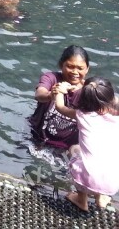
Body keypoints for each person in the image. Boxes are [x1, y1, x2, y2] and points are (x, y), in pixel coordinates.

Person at [54, 77, 119, 212]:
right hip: (112, 184)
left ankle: (81, 200)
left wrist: (60, 91)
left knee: (74, 149)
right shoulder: (116, 116)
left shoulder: (82, 115)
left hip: (87, 179)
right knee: (104, 159)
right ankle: (100, 198)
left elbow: (60, 107)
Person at [30, 45, 90, 150]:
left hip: (66, 147)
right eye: (70, 66)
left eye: (80, 68)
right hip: (35, 136)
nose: (75, 72)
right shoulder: (51, 78)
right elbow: (39, 95)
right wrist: (51, 94)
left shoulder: (89, 91)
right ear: (61, 65)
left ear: (87, 69)